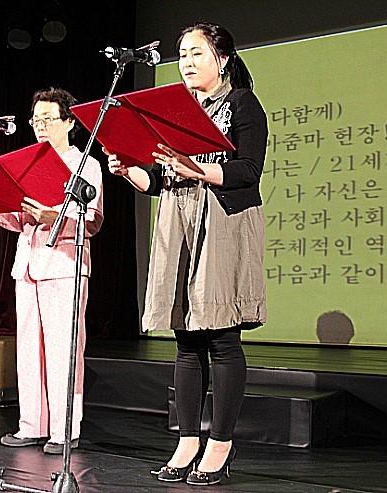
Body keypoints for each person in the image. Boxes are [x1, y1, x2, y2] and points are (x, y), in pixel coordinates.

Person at [106, 22, 267, 485]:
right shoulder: (178, 111)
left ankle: (220, 444)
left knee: (221, 336)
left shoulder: (242, 104)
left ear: (223, 58)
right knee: (186, 338)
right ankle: (187, 440)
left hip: (222, 220)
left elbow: (248, 170)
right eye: (182, 55)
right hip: (178, 218)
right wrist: (129, 170)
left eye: (197, 53)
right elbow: (160, 180)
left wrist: (197, 169)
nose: (187, 63)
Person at [0, 87, 103, 455]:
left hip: (64, 265)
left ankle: (64, 430)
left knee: (64, 351)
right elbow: (19, 219)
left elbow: (92, 221)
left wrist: (53, 217)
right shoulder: (28, 162)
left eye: (48, 119)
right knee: (29, 350)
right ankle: (31, 424)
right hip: (28, 264)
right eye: (35, 120)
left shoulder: (85, 164)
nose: (40, 126)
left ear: (69, 122)